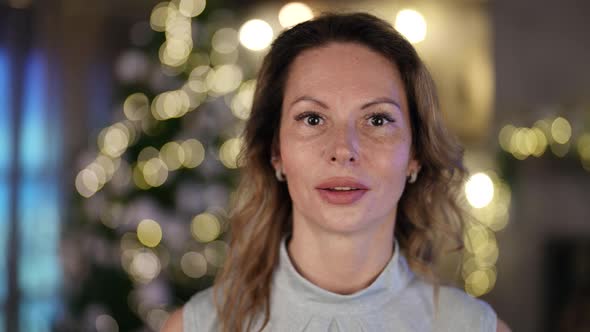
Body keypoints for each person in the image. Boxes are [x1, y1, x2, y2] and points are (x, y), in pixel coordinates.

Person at [163, 12, 511, 332]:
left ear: (415, 154)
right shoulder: (196, 327)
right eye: (312, 119)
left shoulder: (475, 327)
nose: (344, 150)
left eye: (377, 119)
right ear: (276, 152)